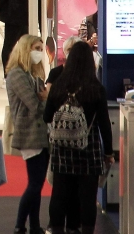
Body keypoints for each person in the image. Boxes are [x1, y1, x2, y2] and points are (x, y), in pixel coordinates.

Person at [44, 42, 114, 234]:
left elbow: (46, 116)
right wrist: (108, 152)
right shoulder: (96, 89)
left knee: (59, 193)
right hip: (88, 149)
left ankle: (57, 228)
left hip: (61, 149)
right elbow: (104, 124)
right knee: (87, 197)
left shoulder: (58, 86)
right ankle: (84, 229)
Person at [5, 35, 50, 234]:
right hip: (30, 134)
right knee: (35, 184)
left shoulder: (33, 74)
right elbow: (34, 105)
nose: (39, 52)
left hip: (40, 134)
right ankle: (19, 225)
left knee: (37, 183)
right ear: (25, 49)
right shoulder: (17, 75)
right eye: (36, 48)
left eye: (41, 48)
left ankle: (33, 225)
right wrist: (47, 98)